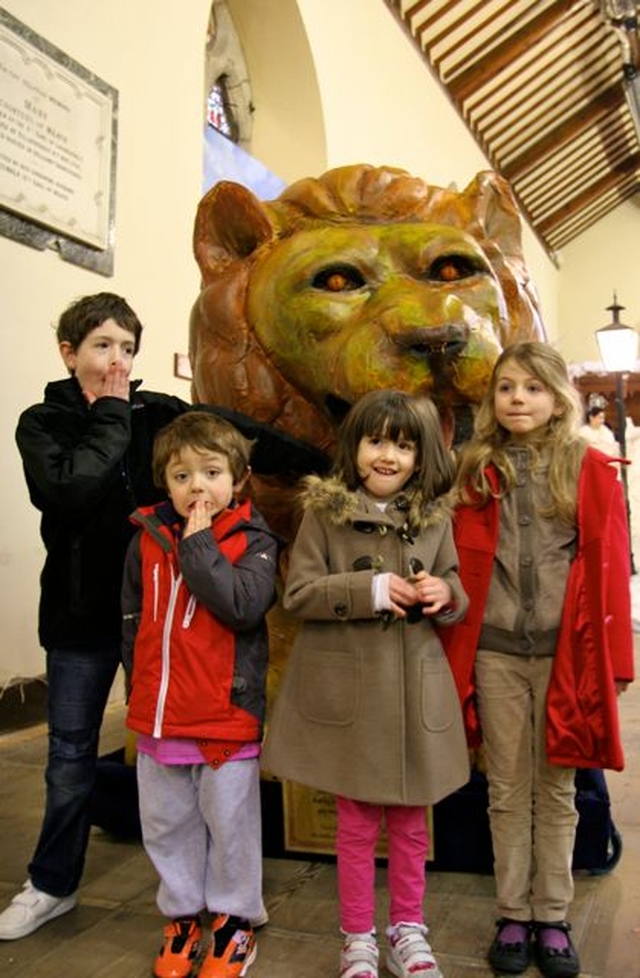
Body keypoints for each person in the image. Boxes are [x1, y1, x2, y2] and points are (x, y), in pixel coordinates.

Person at [0, 292, 318, 942]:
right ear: (69, 354)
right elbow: (71, 487)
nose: (117, 360)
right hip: (81, 615)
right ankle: (52, 884)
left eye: (126, 348)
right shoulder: (45, 421)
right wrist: (113, 412)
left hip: (168, 622)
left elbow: (237, 434)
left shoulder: (160, 413)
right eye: (101, 346)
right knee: (68, 757)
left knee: (174, 764)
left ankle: (210, 903)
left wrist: (332, 464)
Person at [261, 390, 470, 978]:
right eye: (376, 441)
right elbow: (298, 594)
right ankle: (357, 936)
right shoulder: (322, 515)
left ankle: (408, 926)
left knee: (410, 825)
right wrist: (371, 590)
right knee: (355, 827)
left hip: (411, 697)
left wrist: (444, 594)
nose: (388, 456)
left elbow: (454, 582)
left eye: (403, 446)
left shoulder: (433, 518)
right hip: (352, 699)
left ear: (420, 457)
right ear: (353, 449)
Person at [442, 342, 634, 978]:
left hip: (566, 656)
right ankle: (511, 913)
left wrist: (616, 660)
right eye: (505, 388)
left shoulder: (588, 469)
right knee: (504, 787)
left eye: (531, 388)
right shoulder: (471, 470)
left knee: (556, 789)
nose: (517, 398)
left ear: (557, 398)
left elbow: (610, 569)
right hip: (495, 653)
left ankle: (551, 915)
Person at [122, 410, 278, 978]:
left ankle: (235, 919)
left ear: (238, 479)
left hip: (223, 715)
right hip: (160, 716)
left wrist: (199, 545)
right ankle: (184, 913)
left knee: (229, 823)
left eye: (211, 473)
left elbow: (241, 605)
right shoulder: (145, 537)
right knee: (167, 821)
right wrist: (139, 694)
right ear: (165, 482)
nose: (197, 487)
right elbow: (132, 622)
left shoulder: (255, 540)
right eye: (181, 476)